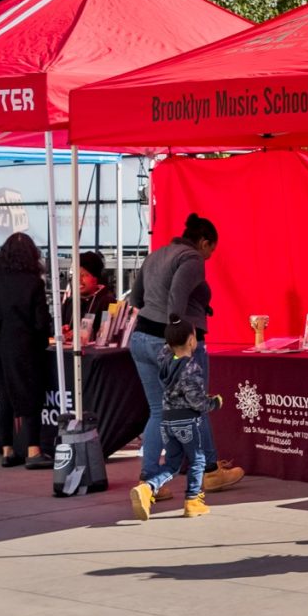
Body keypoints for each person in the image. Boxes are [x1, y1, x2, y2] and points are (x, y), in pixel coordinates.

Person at [130, 216, 238, 492]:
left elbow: (136, 299)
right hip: (171, 341)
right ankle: (210, 472)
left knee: (157, 411)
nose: (209, 256)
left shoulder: (155, 255)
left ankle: (150, 481)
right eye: (211, 250)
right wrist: (180, 345)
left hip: (140, 337)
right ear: (204, 243)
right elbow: (176, 302)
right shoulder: (191, 258)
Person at [0, 233, 55, 468]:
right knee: (30, 396)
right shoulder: (33, 282)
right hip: (24, 346)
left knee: (5, 397)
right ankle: (33, 450)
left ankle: (7, 450)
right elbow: (41, 321)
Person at [130, 319, 213, 520]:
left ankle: (148, 487)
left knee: (172, 464)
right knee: (197, 459)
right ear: (192, 340)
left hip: (167, 421)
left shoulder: (165, 361)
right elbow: (196, 401)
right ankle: (193, 501)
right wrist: (213, 403)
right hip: (187, 422)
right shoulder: (191, 367)